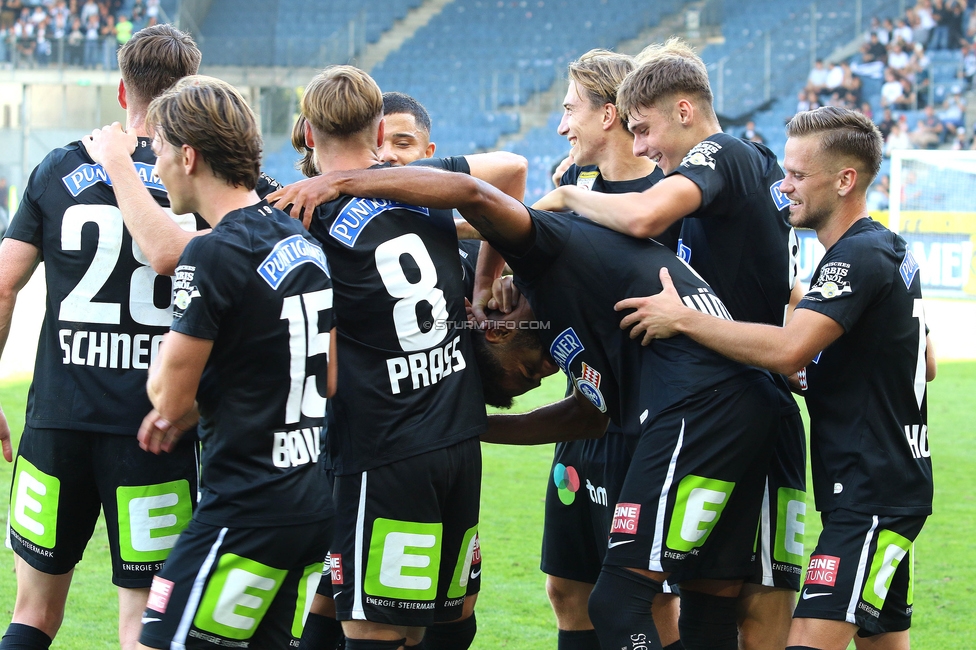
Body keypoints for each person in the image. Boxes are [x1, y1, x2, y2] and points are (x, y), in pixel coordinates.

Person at [297, 160, 782, 650]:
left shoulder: (543, 255)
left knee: (622, 601)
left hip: (703, 406)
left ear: (498, 328)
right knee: (706, 596)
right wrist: (472, 424)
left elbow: (476, 193)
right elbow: (587, 417)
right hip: (737, 407)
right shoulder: (558, 318)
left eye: (525, 373)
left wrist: (339, 181)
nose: (549, 372)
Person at [612, 106, 933, 650]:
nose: (783, 187)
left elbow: (787, 352)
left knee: (804, 641)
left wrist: (683, 317)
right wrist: (832, 368)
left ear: (845, 179)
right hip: (886, 484)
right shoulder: (889, 249)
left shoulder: (852, 257)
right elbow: (924, 361)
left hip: (869, 494)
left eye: (798, 176)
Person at [532, 37, 806, 650]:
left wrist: (568, 198)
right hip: (717, 394)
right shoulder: (722, 179)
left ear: (685, 110)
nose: (644, 146)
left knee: (751, 597)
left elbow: (640, 218)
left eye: (646, 128)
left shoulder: (725, 151)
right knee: (709, 595)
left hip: (739, 398)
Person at [84, 75, 336, 650]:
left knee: (157, 641)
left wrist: (178, 397)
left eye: (161, 149)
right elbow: (329, 373)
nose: (157, 161)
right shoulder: (298, 239)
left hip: (247, 505)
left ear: (189, 156)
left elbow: (166, 399)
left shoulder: (211, 251)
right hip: (310, 495)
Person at [0, 25, 201, 650]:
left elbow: (3, 286)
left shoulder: (58, 167)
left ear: (122, 91)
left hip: (56, 424)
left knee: (31, 616)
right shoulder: (198, 176)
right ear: (190, 94)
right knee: (143, 623)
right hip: (155, 429)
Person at [283, 66, 488, 650]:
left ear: (305, 132)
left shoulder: (303, 214)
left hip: (381, 445)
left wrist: (339, 182)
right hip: (455, 439)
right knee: (445, 616)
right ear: (378, 127)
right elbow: (511, 172)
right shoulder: (424, 190)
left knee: (374, 628)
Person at [539, 48, 679, 650]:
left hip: (649, 427)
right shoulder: (571, 183)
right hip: (585, 416)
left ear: (609, 115)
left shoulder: (673, 195)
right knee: (567, 590)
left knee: (651, 602)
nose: (562, 123)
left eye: (571, 109)